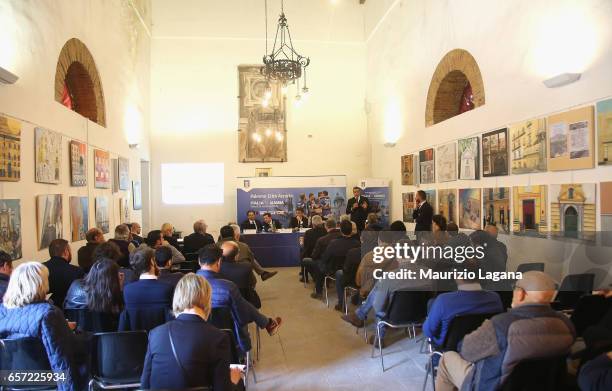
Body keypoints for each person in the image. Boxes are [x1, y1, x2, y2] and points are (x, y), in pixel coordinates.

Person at [435, 271, 576, 391]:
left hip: (491, 386)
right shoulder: (566, 324)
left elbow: (465, 351)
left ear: (520, 293)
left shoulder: (501, 324)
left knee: (447, 359)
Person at [141, 273, 243, 390]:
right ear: (207, 299)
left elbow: (144, 385)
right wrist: (234, 381)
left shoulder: (155, 334)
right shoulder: (218, 338)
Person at [0, 262, 86, 390]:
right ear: (40, 284)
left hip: (10, 378)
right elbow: (61, 359)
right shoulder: (48, 313)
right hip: (45, 377)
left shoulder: (2, 312)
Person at [197, 244, 282, 353]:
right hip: (230, 337)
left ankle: (267, 323)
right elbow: (242, 317)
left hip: (198, 338)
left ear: (199, 261)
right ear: (219, 262)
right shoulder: (227, 287)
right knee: (242, 307)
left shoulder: (185, 285)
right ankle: (267, 323)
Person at [342, 260, 431, 347]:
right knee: (380, 292)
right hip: (420, 316)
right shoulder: (428, 274)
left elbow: (378, 307)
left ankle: (378, 337)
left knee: (381, 303)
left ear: (400, 258)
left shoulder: (388, 278)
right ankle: (359, 315)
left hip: (394, 317)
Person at [423, 273, 504, 348]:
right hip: (484, 347)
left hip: (451, 351)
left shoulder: (443, 301)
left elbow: (428, 332)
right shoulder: (495, 298)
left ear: (457, 276)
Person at [63, 258, 124, 331]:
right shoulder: (109, 297)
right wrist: (119, 287)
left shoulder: (75, 286)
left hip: (77, 336)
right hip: (106, 339)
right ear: (112, 281)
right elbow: (120, 323)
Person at [121, 248, 174, 331]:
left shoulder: (128, 290)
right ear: (152, 262)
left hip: (135, 342)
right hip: (160, 341)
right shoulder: (166, 289)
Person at [309, 220, 360, 299]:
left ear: (340, 229)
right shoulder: (357, 243)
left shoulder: (333, 243)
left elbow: (325, 258)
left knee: (319, 265)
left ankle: (318, 292)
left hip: (333, 270)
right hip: (351, 271)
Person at [43, 239, 84, 310]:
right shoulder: (76, 271)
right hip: (70, 311)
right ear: (66, 252)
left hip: (45, 310)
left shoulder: (40, 269)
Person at [220, 241, 260, 308]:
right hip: (244, 301)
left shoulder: (216, 269)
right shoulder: (246, 267)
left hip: (223, 303)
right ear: (236, 255)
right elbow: (252, 283)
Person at [300, 215, 327, 282]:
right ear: (321, 223)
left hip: (312, 255)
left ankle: (305, 277)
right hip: (324, 256)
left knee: (302, 253)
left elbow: (306, 246)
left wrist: (301, 243)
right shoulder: (326, 232)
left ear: (312, 223)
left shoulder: (308, 233)